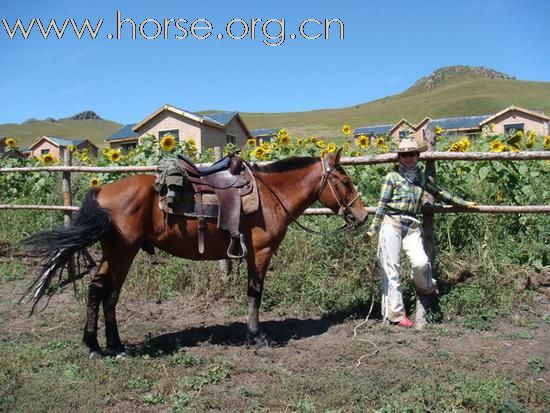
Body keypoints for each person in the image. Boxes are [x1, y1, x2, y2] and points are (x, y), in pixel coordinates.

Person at [364, 138, 475, 328]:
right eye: (404, 155)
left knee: (421, 261)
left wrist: (463, 203)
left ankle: (425, 286)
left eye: (411, 154)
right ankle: (397, 314)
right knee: (392, 269)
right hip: (392, 222)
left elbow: (439, 192)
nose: (408, 158)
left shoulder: (420, 178)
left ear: (417, 156)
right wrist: (373, 228)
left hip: (412, 224)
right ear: (399, 157)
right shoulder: (392, 177)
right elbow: (382, 205)